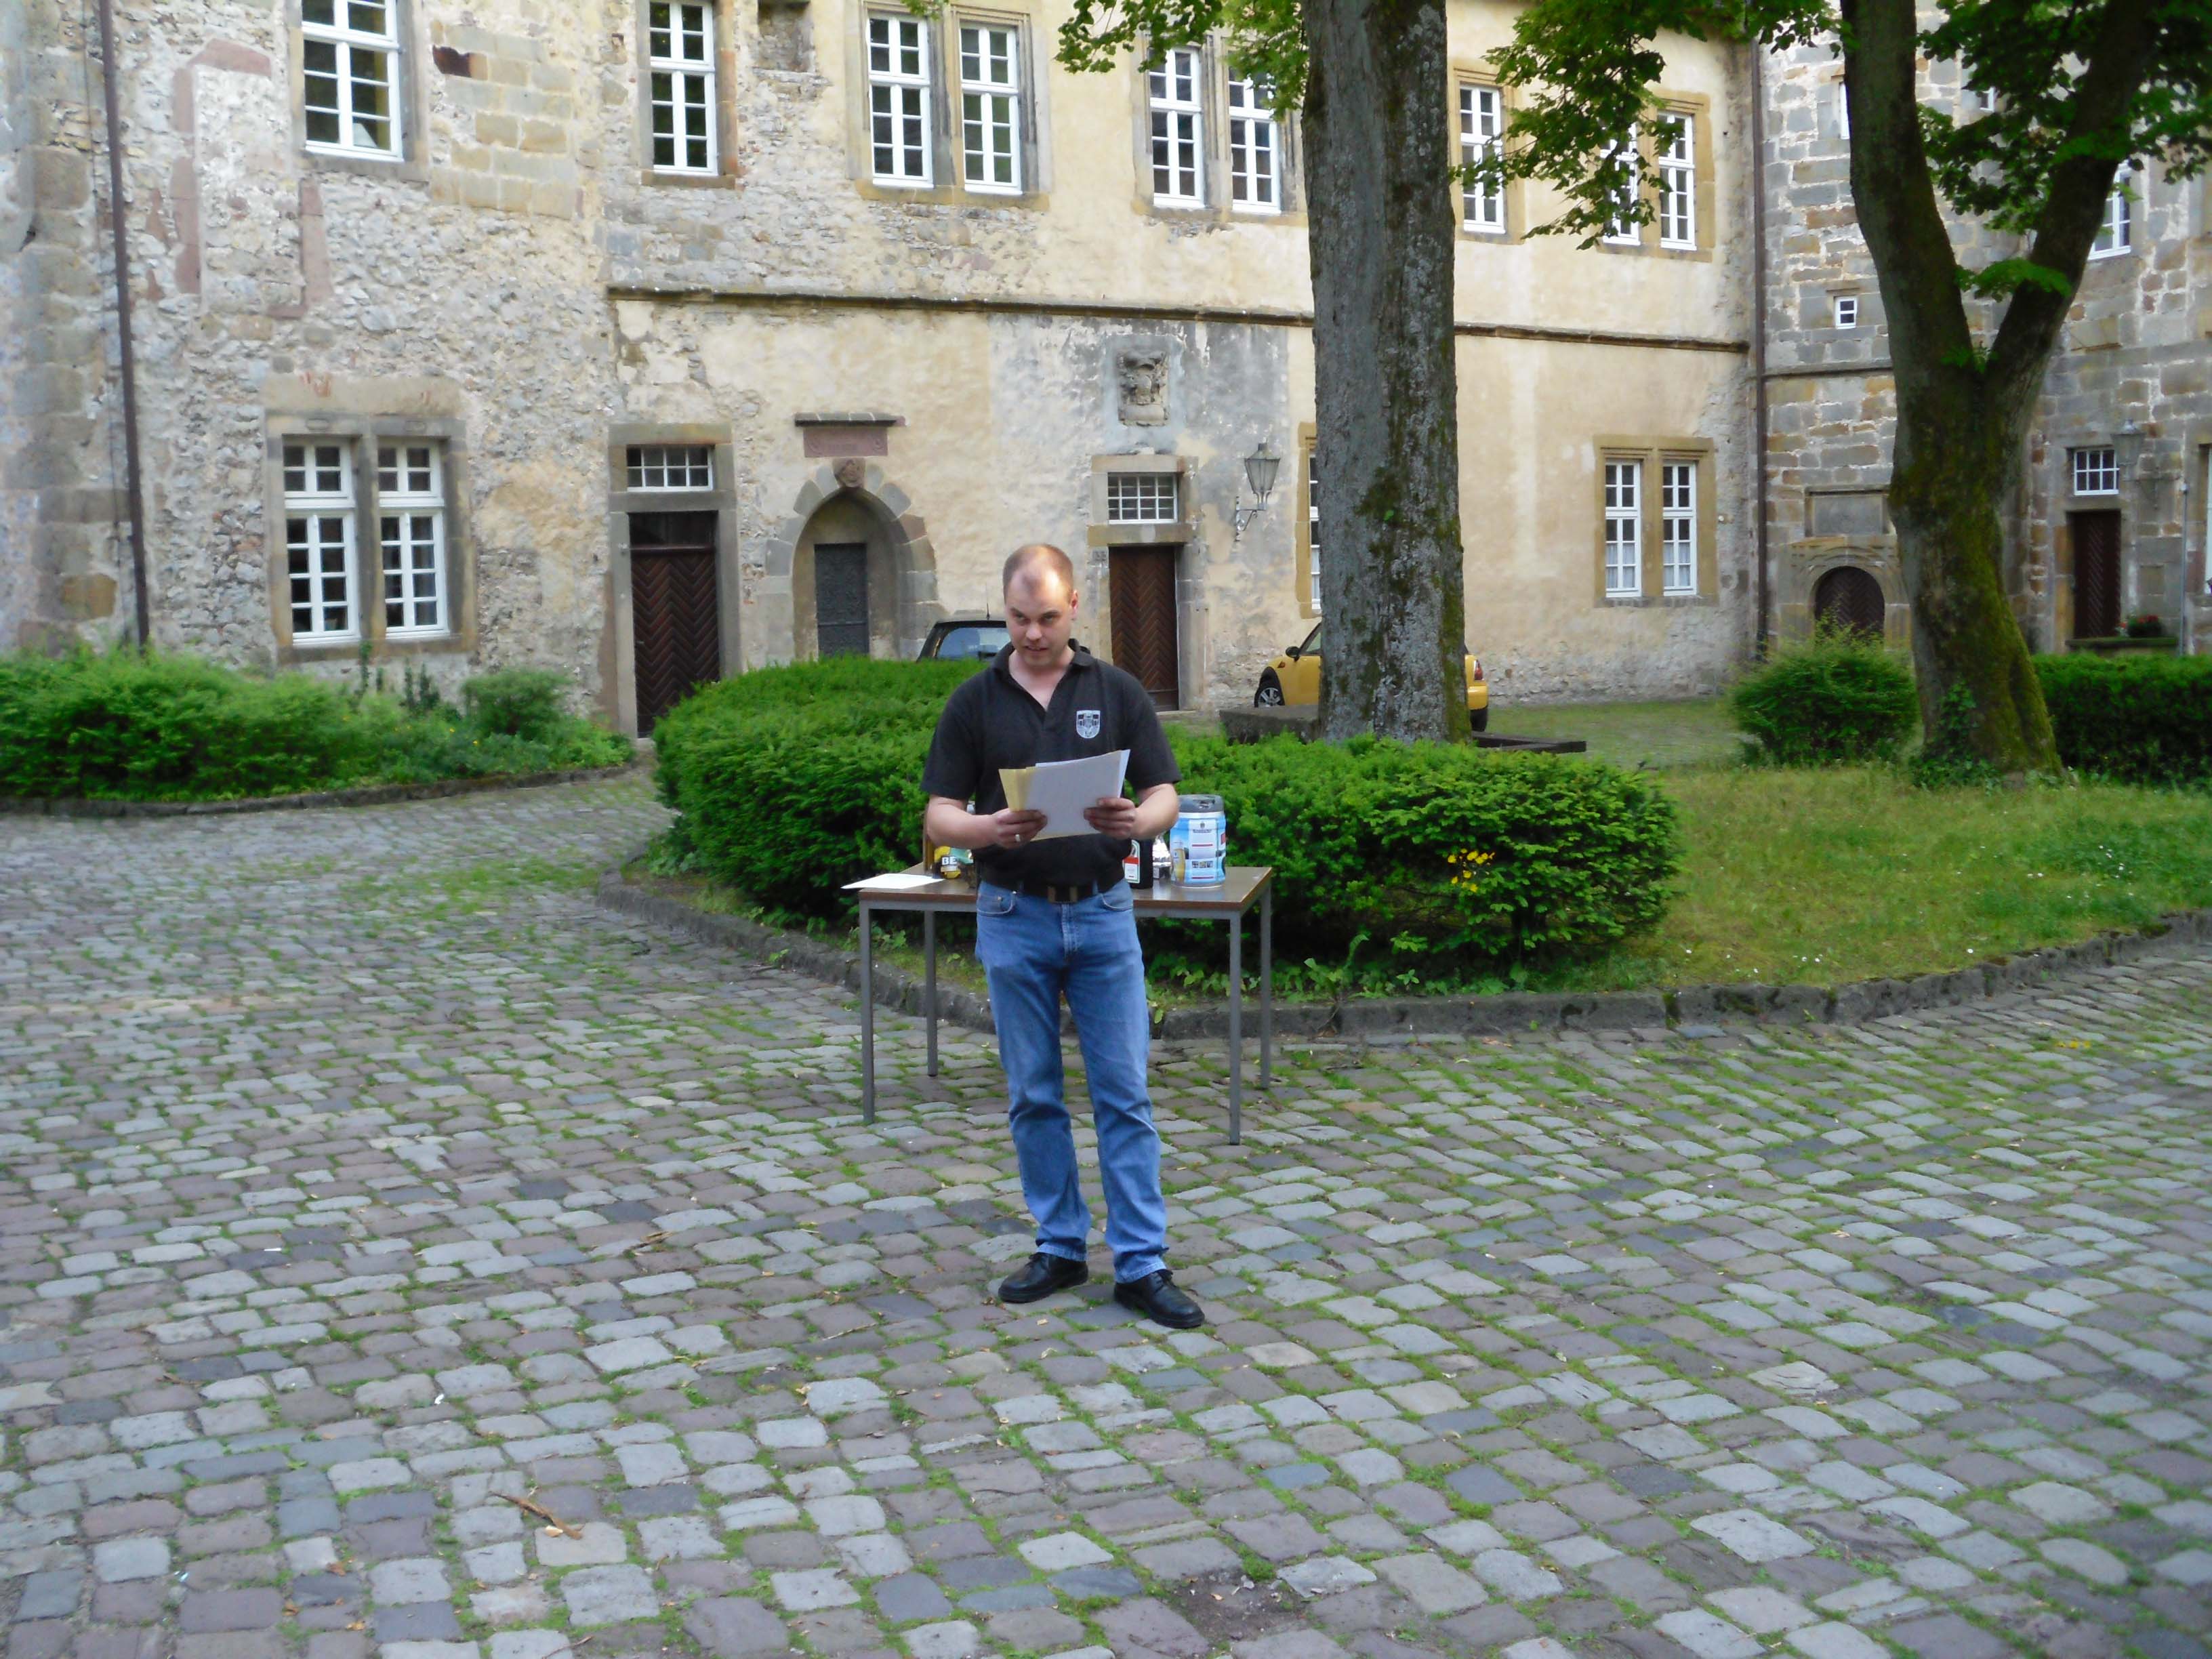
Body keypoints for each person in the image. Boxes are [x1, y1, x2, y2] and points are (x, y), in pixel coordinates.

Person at [920, 544, 1203, 1330]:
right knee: (1034, 1094)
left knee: (1125, 1093)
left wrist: (1137, 821)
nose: (1033, 634)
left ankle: (1141, 1262)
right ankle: (1060, 1245)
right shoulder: (974, 702)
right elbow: (938, 816)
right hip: (1014, 915)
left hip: (1104, 912)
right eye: (1019, 619)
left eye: (1047, 618)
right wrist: (988, 829)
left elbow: (1165, 793)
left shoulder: (1115, 690)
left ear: (1075, 606)